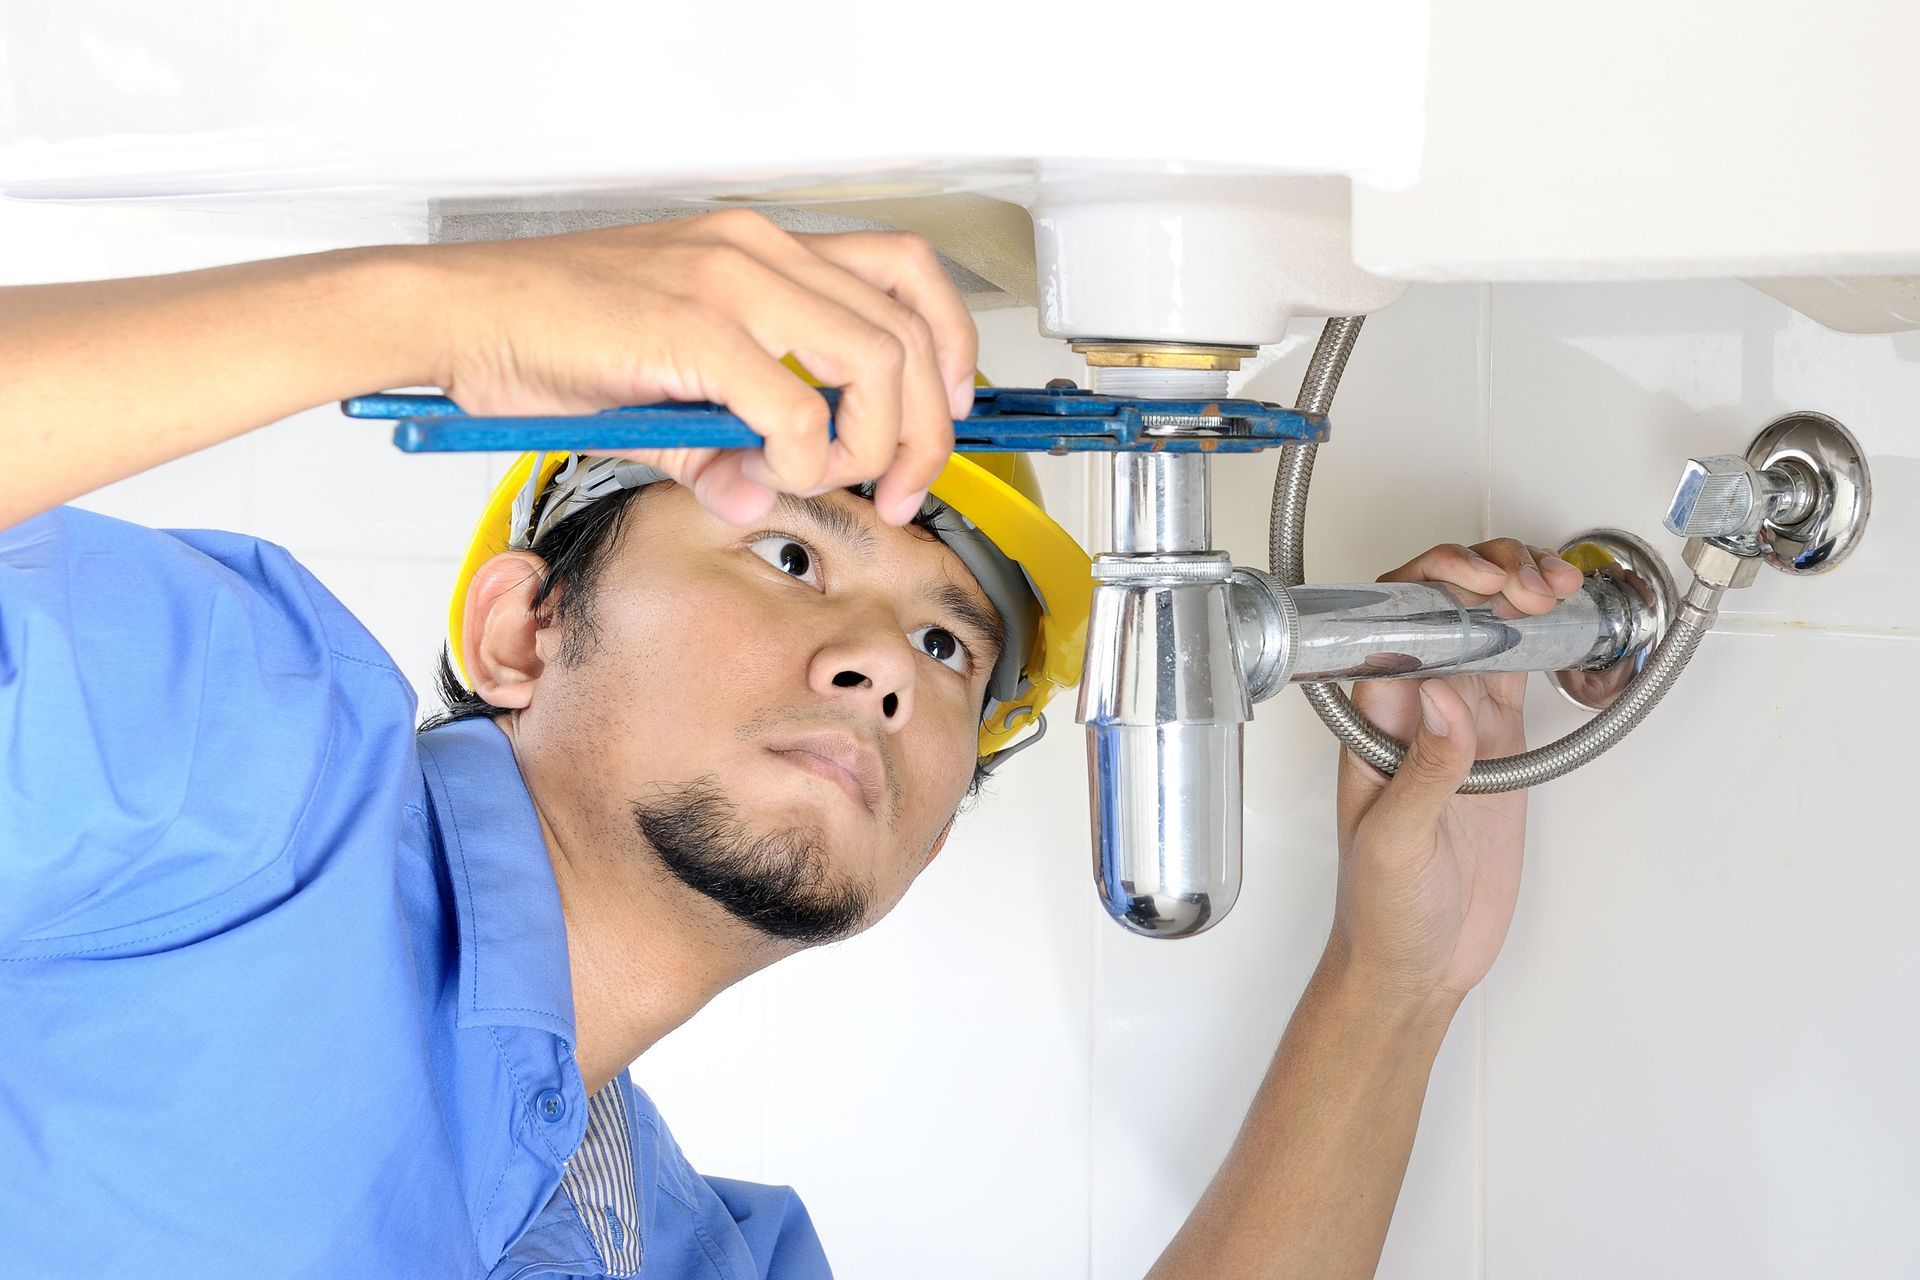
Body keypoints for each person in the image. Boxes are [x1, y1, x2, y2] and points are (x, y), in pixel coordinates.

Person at [0, 210, 1586, 1279]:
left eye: (952, 646)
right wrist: (427, 312)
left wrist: (1395, 983)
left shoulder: (657, 1243)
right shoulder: (239, 764)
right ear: (520, 632)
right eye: (792, 556)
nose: (883, 667)